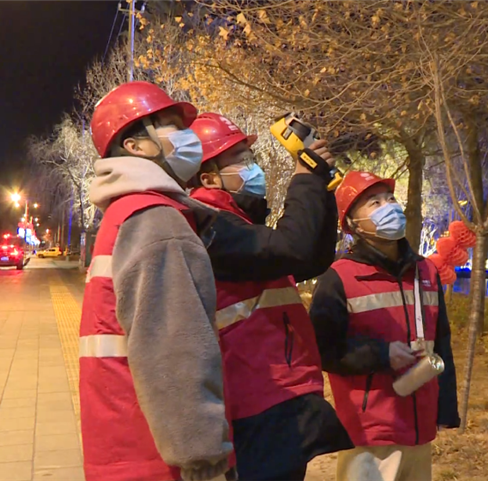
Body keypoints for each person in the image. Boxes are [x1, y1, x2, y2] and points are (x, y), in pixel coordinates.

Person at [187, 112, 353, 481]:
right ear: (208, 178)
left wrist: (321, 184)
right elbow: (292, 247)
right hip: (254, 398)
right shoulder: (209, 223)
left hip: (277, 393)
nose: (254, 168)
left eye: (252, 158)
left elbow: (311, 257)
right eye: (242, 160)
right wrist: (305, 177)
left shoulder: (238, 221)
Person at [80, 82, 233, 481]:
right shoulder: (156, 218)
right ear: (135, 146)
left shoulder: (124, 212)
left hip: (124, 449)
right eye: (171, 125)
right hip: (162, 463)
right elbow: (175, 351)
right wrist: (204, 459)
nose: (188, 137)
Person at [308, 171, 460, 481]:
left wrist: (446, 409)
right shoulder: (339, 277)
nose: (388, 207)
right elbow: (320, 350)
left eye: (390, 199)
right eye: (374, 203)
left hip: (420, 428)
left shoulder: (426, 272)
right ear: (353, 223)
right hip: (368, 433)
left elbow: (441, 342)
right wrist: (380, 355)